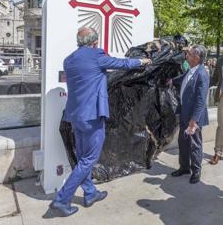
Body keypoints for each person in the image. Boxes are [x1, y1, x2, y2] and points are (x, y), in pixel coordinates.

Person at [49, 27, 151, 217]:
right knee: (88, 160)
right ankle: (61, 200)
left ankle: (90, 193)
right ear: (95, 42)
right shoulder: (96, 55)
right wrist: (142, 61)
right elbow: (122, 64)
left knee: (82, 158)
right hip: (92, 116)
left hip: (75, 116)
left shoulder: (69, 59)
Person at [170, 45, 210, 184]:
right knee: (183, 141)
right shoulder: (191, 71)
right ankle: (184, 167)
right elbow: (182, 79)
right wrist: (171, 81)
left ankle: (196, 171)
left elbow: (200, 100)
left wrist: (194, 120)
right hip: (184, 113)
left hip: (193, 117)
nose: (186, 56)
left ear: (196, 58)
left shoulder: (202, 74)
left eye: (190, 54)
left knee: (195, 144)